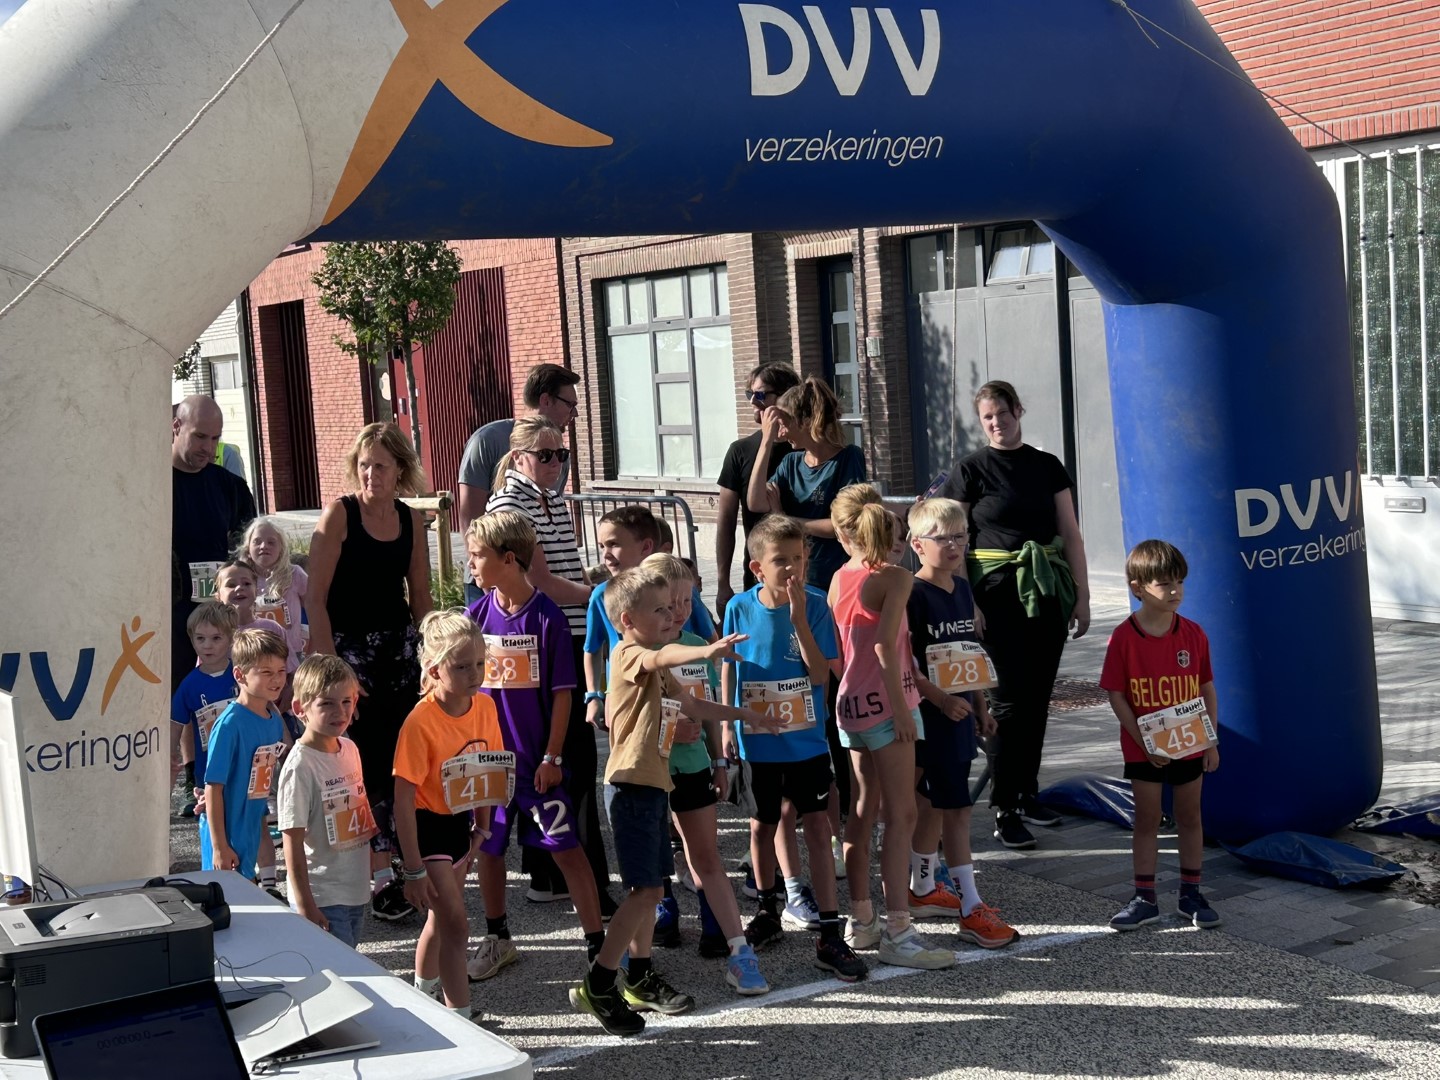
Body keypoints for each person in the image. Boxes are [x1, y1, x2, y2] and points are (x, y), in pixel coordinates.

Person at [568, 568, 745, 1036]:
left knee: (650, 891)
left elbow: (695, 706)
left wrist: (746, 715)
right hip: (630, 789)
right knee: (645, 892)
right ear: (627, 620)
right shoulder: (630, 654)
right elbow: (662, 654)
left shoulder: (658, 664)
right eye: (660, 609)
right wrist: (707, 650)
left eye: (673, 607)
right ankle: (599, 982)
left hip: (651, 789)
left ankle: (639, 976)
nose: (671, 615)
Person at [941, 381, 1091, 850]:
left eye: (1002, 413)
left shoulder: (1047, 466)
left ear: (1018, 411)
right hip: (995, 598)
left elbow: (1070, 532)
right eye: (987, 416)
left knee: (1037, 699)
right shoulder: (970, 469)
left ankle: (1027, 793)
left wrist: (1082, 595)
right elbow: (953, 538)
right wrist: (967, 600)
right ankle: (1004, 807)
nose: (996, 423)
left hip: (1045, 593)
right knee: (1006, 702)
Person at [720, 515, 867, 982]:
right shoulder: (740, 607)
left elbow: (821, 674)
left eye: (799, 558)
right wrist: (726, 723)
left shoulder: (816, 604)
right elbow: (728, 664)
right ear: (757, 568)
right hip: (757, 741)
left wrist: (799, 619)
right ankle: (769, 908)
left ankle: (830, 930)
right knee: (762, 825)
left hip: (806, 742)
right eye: (781, 560)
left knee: (818, 826)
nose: (792, 568)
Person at [464, 511, 606, 980]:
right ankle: (498, 936)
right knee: (489, 850)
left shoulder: (548, 618)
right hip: (488, 766)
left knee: (566, 849)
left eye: (477, 555)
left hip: (536, 766)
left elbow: (564, 694)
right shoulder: (475, 617)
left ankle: (597, 946)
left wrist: (551, 756)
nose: (470, 564)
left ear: (508, 559)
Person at [307, 422, 433, 922]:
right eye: (363, 465)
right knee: (363, 763)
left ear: (399, 469)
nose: (370, 474)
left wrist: (433, 655)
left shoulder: (410, 519)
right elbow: (314, 598)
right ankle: (379, 876)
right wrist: (330, 670)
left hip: (398, 651)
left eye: (380, 465)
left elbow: (420, 596)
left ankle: (407, 864)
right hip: (348, 652)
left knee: (401, 759)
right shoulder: (340, 514)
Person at [484, 417, 610, 911]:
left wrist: (589, 588)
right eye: (545, 454)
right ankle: (581, 882)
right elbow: (539, 582)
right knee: (563, 759)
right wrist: (602, 595)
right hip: (539, 635)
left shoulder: (552, 499)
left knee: (564, 760)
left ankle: (551, 874)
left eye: (562, 454)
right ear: (518, 458)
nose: (556, 463)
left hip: (565, 631)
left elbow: (562, 571)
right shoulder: (510, 504)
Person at [828, 484, 954, 971]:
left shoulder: (840, 577)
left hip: (851, 706)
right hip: (888, 705)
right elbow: (884, 646)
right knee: (901, 816)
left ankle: (862, 920)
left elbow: (840, 654)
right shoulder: (896, 578)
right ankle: (899, 932)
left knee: (862, 810)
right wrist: (902, 711)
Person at [641, 553, 769, 996]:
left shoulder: (698, 645)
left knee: (707, 858)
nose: (678, 611)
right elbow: (620, 725)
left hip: (693, 767)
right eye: (667, 603)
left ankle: (739, 951)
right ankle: (640, 958)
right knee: (650, 866)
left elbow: (707, 709)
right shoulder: (634, 653)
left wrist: (718, 761)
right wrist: (669, 731)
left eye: (686, 600)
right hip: (646, 775)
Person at [746, 376, 863, 838]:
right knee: (802, 689)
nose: (782, 431)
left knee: (833, 694)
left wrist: (789, 521)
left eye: (786, 423)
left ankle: (845, 805)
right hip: (790, 594)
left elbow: (843, 524)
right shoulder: (789, 460)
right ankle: (801, 804)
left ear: (807, 420)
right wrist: (765, 444)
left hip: (832, 590)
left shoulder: (848, 459)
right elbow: (757, 503)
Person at [904, 498, 1018, 949]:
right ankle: (971, 907)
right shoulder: (912, 594)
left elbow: (967, 656)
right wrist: (940, 700)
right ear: (917, 544)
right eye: (942, 538)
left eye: (960, 537)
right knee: (955, 810)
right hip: (927, 718)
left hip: (958, 716)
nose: (953, 546)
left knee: (937, 806)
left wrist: (980, 704)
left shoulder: (962, 590)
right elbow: (903, 663)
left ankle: (922, 887)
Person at [1100, 540, 1222, 931]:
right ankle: (1144, 898)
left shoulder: (1194, 634)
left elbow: (1206, 688)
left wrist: (1211, 741)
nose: (1175, 591)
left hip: (1189, 744)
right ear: (1138, 587)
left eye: (1179, 582)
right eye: (1164, 583)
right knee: (1148, 819)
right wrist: (1143, 742)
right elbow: (1116, 694)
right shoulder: (1123, 637)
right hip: (1144, 750)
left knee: (1190, 816)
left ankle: (1191, 894)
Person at [393, 611, 505, 1019]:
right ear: (434, 669)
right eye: (461, 667)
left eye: (480, 663)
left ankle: (421, 999)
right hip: (426, 826)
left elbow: (488, 769)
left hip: (459, 822)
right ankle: (460, 1016)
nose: (475, 674)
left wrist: (483, 828)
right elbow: (402, 800)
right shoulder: (419, 722)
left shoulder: (485, 706)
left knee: (439, 923)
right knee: (457, 924)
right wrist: (412, 869)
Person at [172, 394, 255, 812]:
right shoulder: (150, 483)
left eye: (215, 439)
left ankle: (224, 775)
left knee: (221, 689)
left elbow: (250, 548)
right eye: (200, 436)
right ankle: (191, 778)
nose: (208, 447)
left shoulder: (229, 486)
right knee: (182, 693)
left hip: (220, 612)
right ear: (176, 428)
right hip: (169, 612)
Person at [458, 363, 583, 604]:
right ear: (546, 400)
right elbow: (469, 517)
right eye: (570, 404)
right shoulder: (487, 440)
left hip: (547, 590)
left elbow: (551, 521)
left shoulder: (560, 455)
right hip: (491, 585)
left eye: (559, 455)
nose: (574, 414)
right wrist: (491, 588)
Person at [276, 654, 376, 948]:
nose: (339, 711)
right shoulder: (300, 766)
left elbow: (358, 810)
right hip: (323, 895)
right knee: (339, 970)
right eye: (327, 704)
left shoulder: (350, 749)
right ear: (300, 708)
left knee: (348, 961)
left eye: (346, 701)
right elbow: (292, 840)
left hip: (355, 890)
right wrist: (305, 903)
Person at [200, 629, 290, 883]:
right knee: (228, 899)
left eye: (281, 671)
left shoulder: (274, 721)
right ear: (240, 675)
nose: (277, 679)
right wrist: (219, 846)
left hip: (250, 830)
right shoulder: (229, 725)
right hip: (226, 837)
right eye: (267, 672)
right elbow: (213, 787)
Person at [715, 361, 799, 614]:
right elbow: (726, 520)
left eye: (760, 395)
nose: (752, 402)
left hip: (803, 569)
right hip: (758, 572)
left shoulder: (803, 449)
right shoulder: (739, 451)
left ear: (785, 397)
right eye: (749, 394)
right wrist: (722, 582)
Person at [170, 601, 237, 824]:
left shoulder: (242, 675)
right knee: (213, 825)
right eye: (200, 638)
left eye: (216, 638)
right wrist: (169, 756)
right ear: (191, 639)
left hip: (244, 764)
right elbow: (176, 723)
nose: (207, 646)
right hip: (209, 770)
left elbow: (266, 708)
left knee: (251, 823)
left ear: (231, 638)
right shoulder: (189, 685)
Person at [243, 517, 309, 672]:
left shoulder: (294, 574)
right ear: (248, 549)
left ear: (282, 549)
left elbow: (315, 607)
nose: (263, 546)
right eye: (257, 542)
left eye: (271, 542)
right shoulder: (242, 578)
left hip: (291, 655)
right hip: (253, 656)